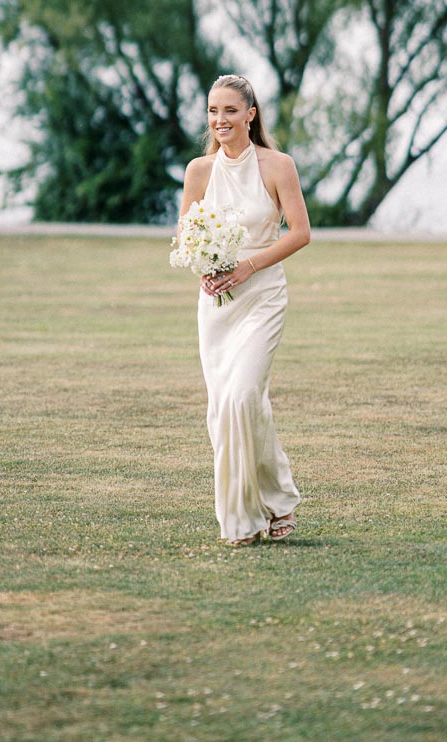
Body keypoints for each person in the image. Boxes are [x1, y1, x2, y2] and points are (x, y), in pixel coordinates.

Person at [178, 73, 311, 547]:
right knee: (225, 408)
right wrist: (204, 268)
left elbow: (299, 232)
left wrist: (248, 266)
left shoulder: (278, 166)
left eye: (230, 111)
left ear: (250, 115)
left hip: (263, 297)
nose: (220, 120)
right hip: (217, 306)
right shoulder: (199, 171)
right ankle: (277, 501)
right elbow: (187, 238)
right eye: (213, 111)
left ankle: (243, 520)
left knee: (242, 397)